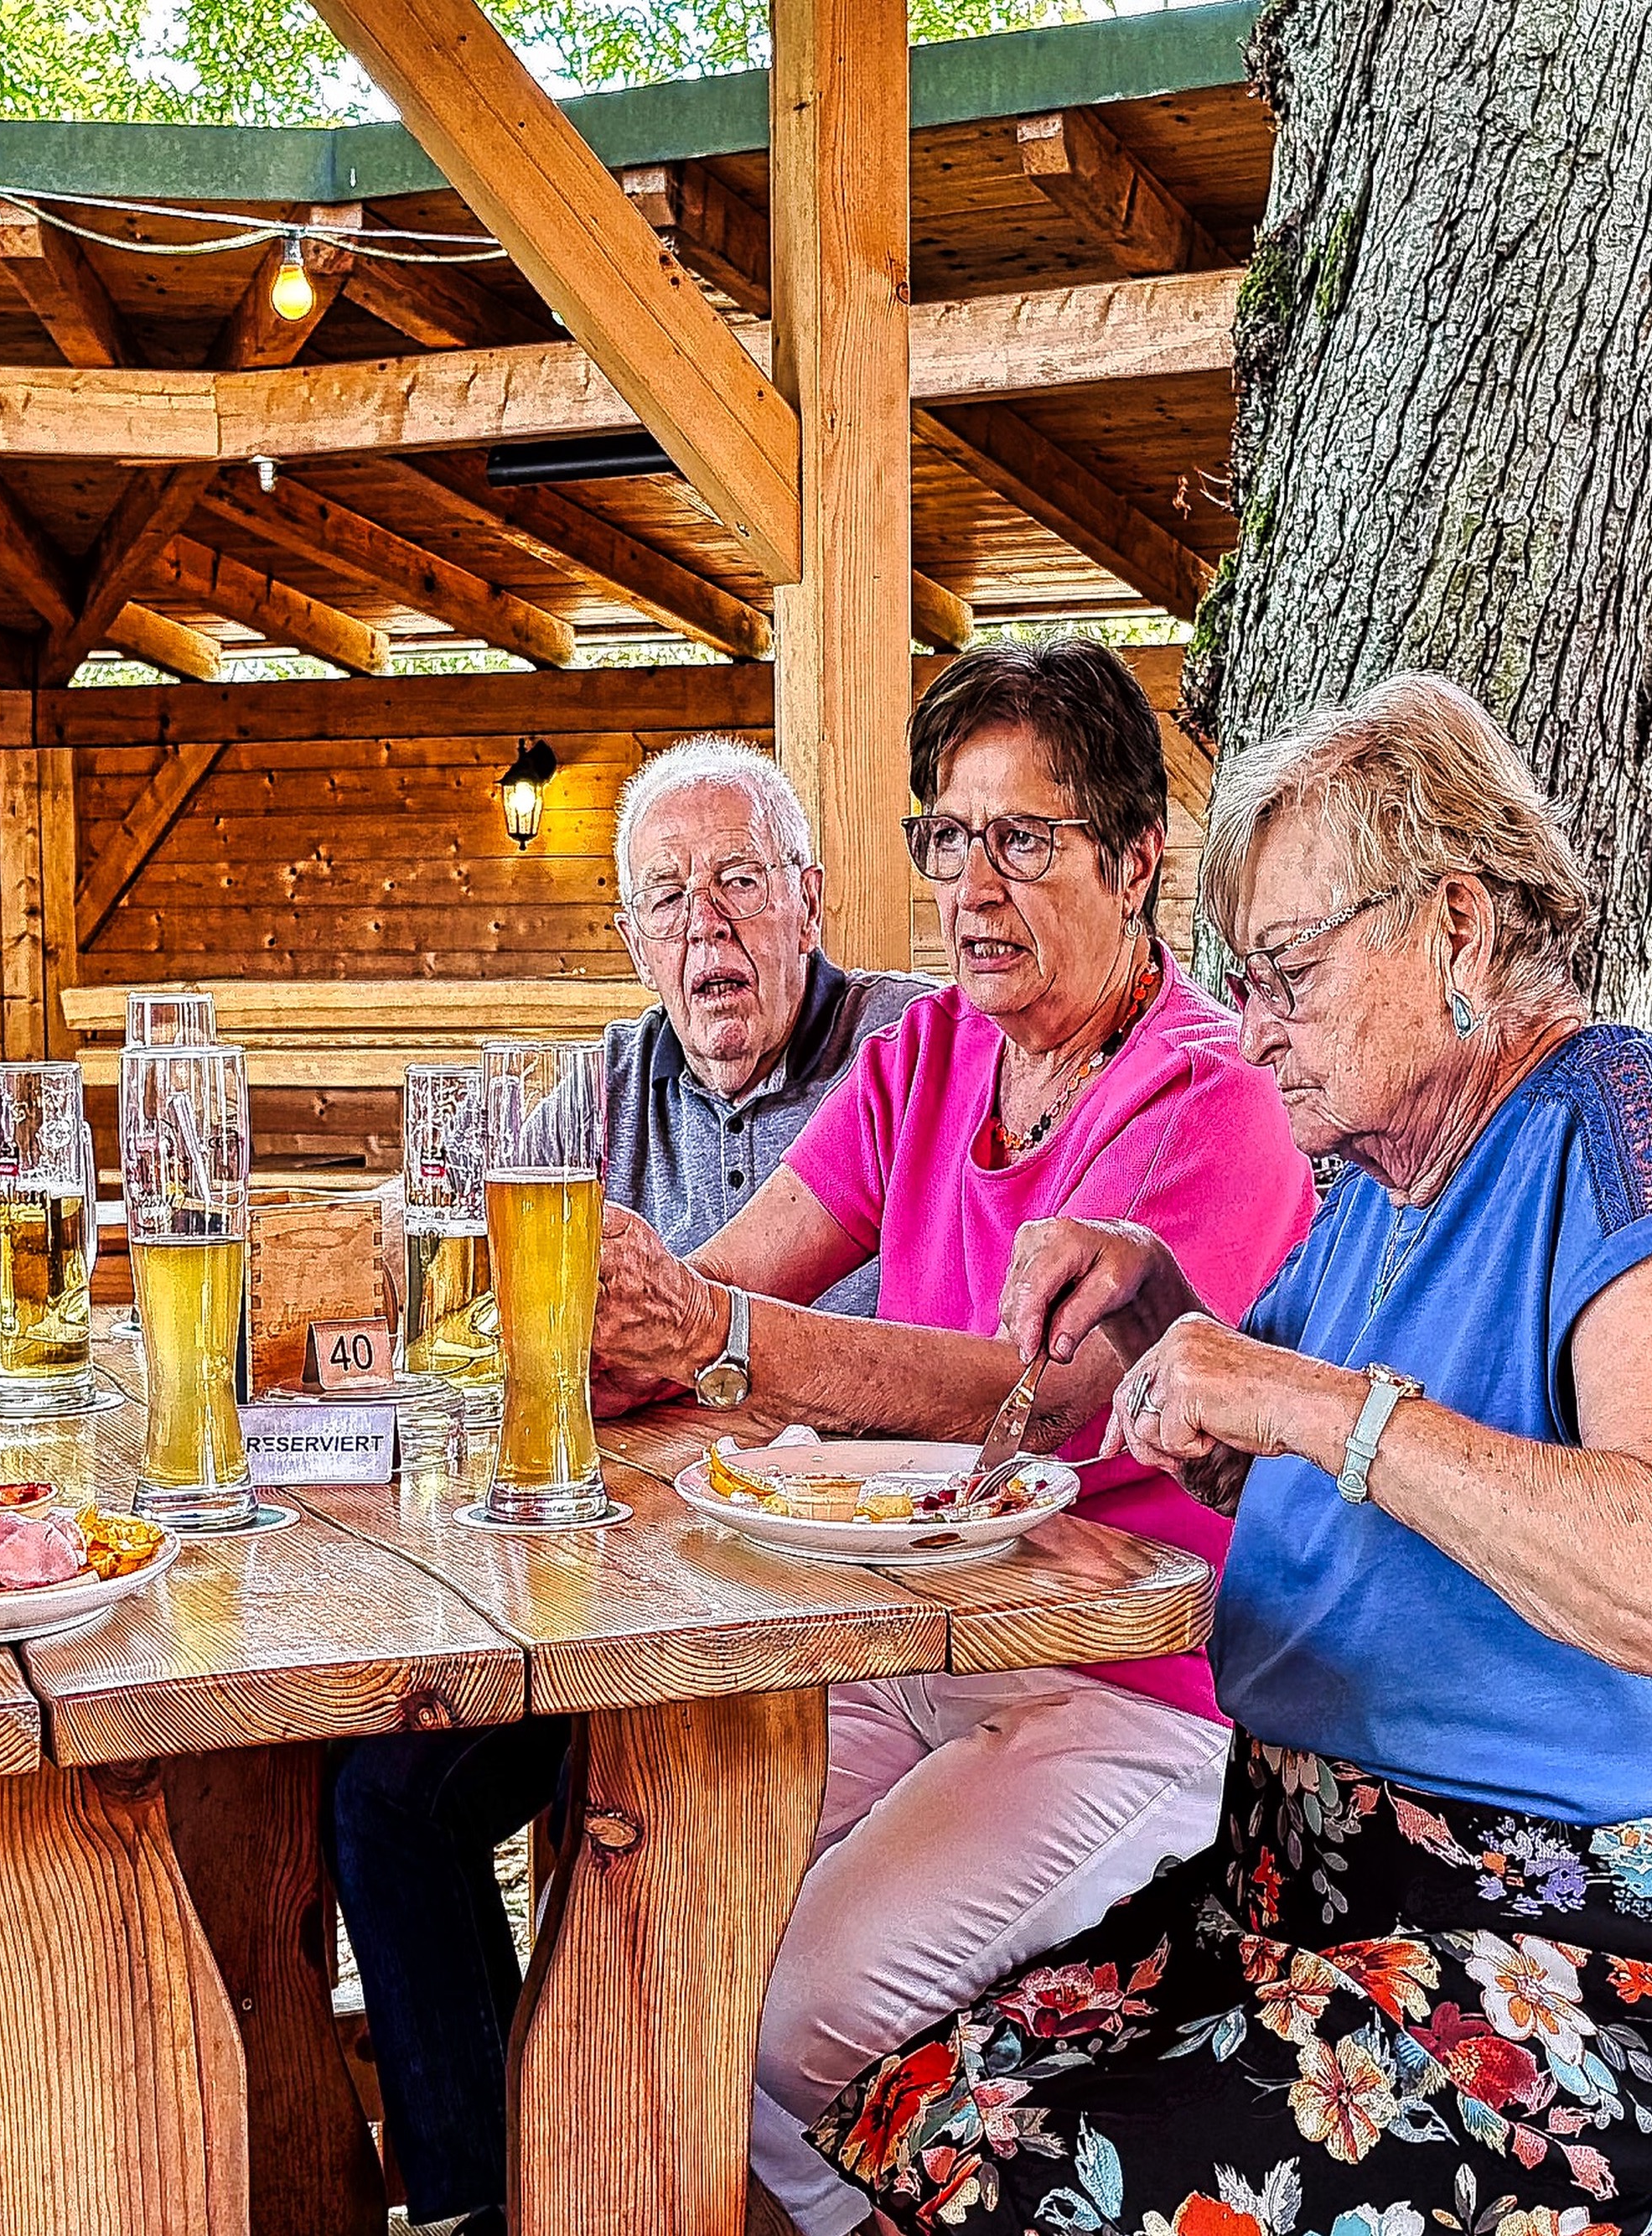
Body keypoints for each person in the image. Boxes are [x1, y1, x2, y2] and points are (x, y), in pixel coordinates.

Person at [815, 672, 1652, 2236]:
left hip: (1591, 1952)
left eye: (1289, 968)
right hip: (1306, 1894)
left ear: (1459, 931)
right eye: (1243, 977)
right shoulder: (1370, 1180)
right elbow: (1294, 1466)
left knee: (1048, 2187)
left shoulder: (1618, 1120)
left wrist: (1306, 1400)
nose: (1255, 1027)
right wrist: (1176, 1326)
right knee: (927, 2100)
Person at [327, 637, 1318, 2236]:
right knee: (639, 1941)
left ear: (1141, 863)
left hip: (1125, 1679)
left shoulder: (1211, 1095)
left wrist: (708, 1338)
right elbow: (735, 1275)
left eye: (1024, 838)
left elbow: (1043, 1386)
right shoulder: (922, 1055)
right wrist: (591, 1326)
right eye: (947, 836)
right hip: (890, 1637)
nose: (973, 885)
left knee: (780, 2021)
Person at [598, 736, 928, 1307]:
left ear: (808, 907)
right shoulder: (602, 1093)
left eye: (740, 880)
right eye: (668, 897)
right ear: (636, 949)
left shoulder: (912, 1049)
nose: (704, 923)